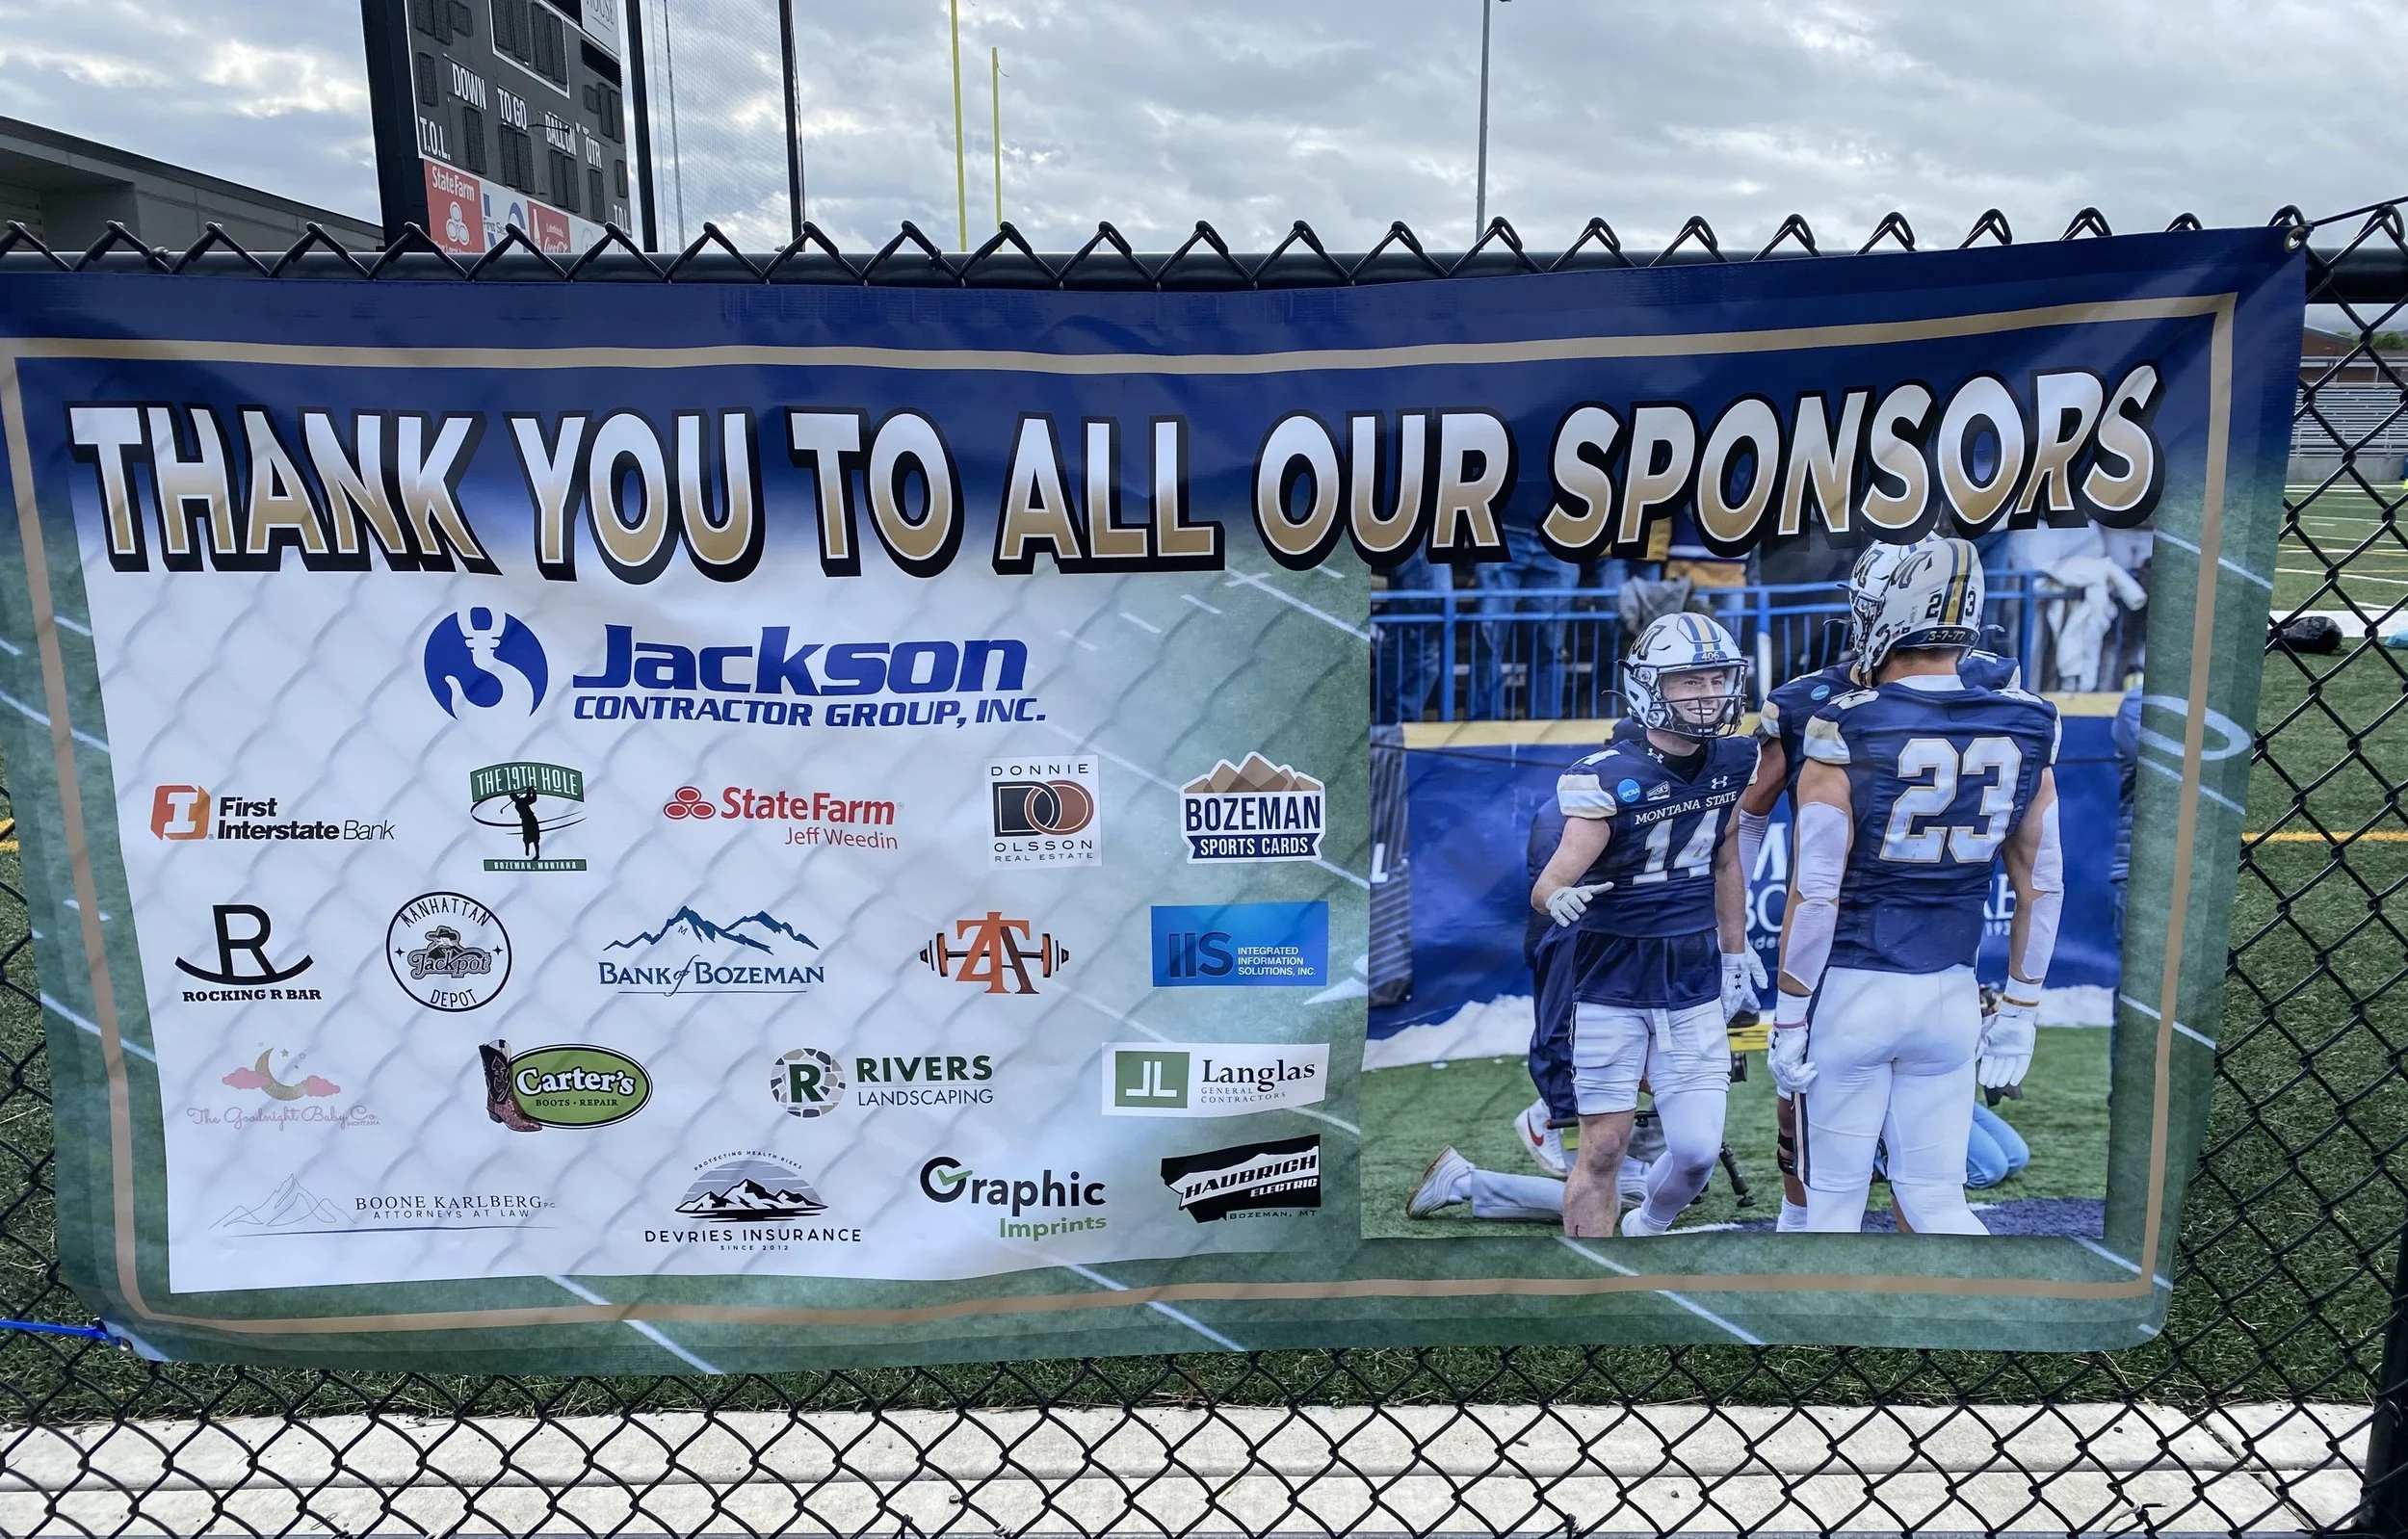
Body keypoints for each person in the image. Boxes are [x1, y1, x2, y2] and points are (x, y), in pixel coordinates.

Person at [1413, 613, 1760, 1237]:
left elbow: (1728, 855)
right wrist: (1557, 900)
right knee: (1604, 1152)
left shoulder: (1736, 758)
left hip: (1691, 975)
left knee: (1697, 1152)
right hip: (1610, 979)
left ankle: (1643, 1230)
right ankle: (1590, 1279)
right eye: (1689, 680)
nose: (1709, 693)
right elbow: (1550, 885)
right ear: (1650, 687)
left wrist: (1735, 956)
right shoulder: (1603, 779)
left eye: (1717, 677)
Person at [1767, 537, 2064, 1235]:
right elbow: (2042, 886)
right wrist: (2021, 1004)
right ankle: (1983, 1334)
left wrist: (1787, 1018)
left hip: (1855, 988)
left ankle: (1816, 1343)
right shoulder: (2026, 720)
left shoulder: (1845, 725)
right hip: (1953, 994)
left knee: (1833, 1198)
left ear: (1889, 615)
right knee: (1937, 1199)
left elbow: (1815, 895)